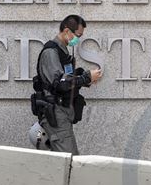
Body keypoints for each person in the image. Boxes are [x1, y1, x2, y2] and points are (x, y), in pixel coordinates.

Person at [33, 15, 102, 154]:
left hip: (63, 115)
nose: (78, 39)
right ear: (66, 31)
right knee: (70, 160)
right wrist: (86, 77)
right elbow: (60, 84)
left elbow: (67, 78)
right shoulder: (50, 53)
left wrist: (84, 78)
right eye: (78, 35)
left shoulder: (62, 52)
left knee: (66, 161)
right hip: (56, 115)